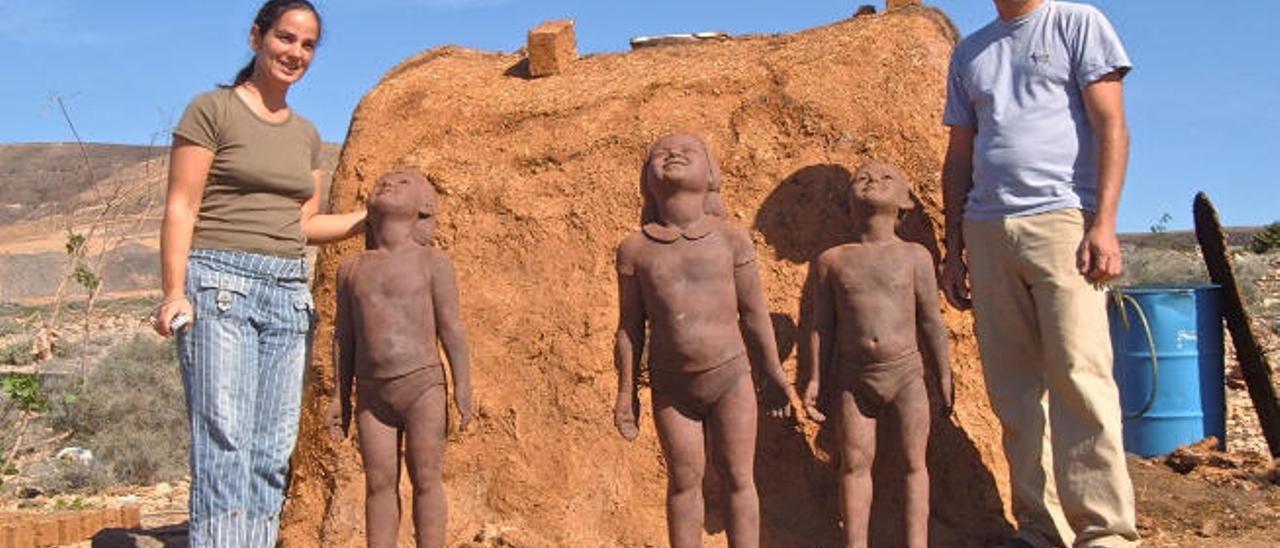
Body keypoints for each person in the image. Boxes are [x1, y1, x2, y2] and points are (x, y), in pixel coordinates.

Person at [151, 1, 365, 546]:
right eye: (285, 38)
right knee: (225, 441)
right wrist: (174, 292)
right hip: (221, 284)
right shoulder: (212, 110)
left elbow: (306, 224)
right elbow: (182, 207)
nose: (295, 52)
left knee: (271, 448)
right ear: (257, 37)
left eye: (307, 44)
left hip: (287, 294)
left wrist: (368, 218)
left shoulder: (306, 135)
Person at [940, 1, 1137, 547]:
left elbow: (1111, 123)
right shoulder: (971, 50)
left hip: (1063, 221)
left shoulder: (1077, 23)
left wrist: (1105, 223)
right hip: (986, 227)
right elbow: (959, 154)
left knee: (1079, 374)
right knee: (1014, 391)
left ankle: (1104, 531)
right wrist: (953, 248)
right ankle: (1038, 527)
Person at [613, 133, 798, 548]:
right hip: (671, 388)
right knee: (683, 481)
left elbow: (753, 314)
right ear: (646, 178)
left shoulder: (731, 239)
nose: (672, 153)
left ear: (711, 174)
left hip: (731, 378)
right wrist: (627, 393)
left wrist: (772, 373)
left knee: (738, 477)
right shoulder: (636, 250)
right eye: (658, 153)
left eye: (687, 151)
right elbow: (629, 327)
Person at [803, 161, 952, 548]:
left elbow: (932, 321)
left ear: (904, 201)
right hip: (854, 378)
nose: (873, 180)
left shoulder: (916, 256)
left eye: (887, 177)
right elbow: (822, 326)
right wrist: (816, 378)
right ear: (849, 201)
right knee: (853, 465)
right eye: (862, 178)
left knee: (914, 463)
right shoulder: (832, 260)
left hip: (907, 374)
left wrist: (944, 374)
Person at [327, 170, 473, 548]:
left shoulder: (433, 263)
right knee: (378, 484)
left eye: (402, 183)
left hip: (422, 385)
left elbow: (451, 328)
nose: (388, 184)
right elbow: (345, 337)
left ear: (424, 207)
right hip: (371, 395)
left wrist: (463, 386)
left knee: (426, 479)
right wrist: (339, 397)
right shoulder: (351, 270)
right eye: (382, 184)